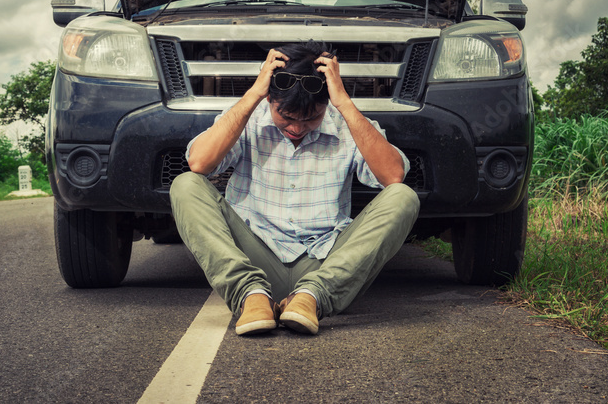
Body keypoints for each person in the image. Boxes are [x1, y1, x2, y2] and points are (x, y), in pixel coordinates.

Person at [169, 40, 420, 336]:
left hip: (325, 265)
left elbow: (393, 176)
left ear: (326, 104)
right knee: (185, 185)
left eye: (311, 118)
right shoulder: (249, 116)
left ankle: (311, 297)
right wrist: (254, 94)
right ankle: (251, 296)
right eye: (286, 117)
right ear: (270, 99)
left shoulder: (345, 122)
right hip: (256, 257)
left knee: (404, 197)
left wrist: (344, 102)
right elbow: (199, 162)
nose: (297, 128)